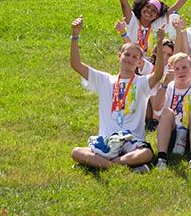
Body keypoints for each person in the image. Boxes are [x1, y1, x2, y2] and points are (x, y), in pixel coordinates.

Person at [69, 16, 165, 172]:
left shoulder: (141, 83)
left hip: (131, 141)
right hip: (107, 141)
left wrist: (159, 43)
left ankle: (102, 164)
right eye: (127, 55)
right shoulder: (105, 80)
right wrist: (75, 35)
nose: (130, 59)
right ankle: (123, 165)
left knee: (146, 153)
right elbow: (76, 65)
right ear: (119, 56)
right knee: (76, 152)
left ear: (140, 63)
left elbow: (158, 74)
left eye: (135, 57)